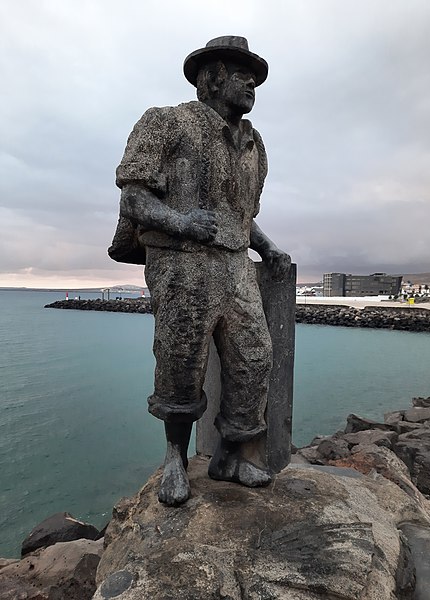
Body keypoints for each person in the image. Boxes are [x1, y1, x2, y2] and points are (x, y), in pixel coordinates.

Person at [109, 36, 291, 505]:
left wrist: (267, 247)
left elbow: (240, 217)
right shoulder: (166, 122)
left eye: (255, 77)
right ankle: (175, 456)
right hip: (181, 265)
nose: (251, 82)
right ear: (211, 78)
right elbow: (133, 197)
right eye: (240, 72)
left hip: (234, 267)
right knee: (180, 364)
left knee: (254, 360)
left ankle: (228, 456)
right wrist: (182, 221)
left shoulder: (255, 144)